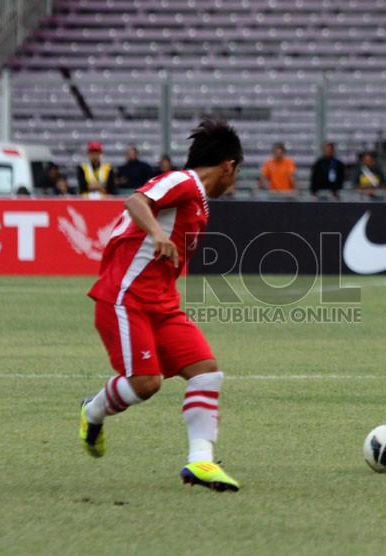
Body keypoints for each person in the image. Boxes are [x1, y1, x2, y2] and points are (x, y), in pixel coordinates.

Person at [79, 118, 244, 492]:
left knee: (206, 372)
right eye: (235, 173)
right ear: (228, 166)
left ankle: (199, 461)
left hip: (163, 303)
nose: (233, 182)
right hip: (126, 297)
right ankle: (92, 411)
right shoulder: (184, 181)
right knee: (145, 384)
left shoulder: (198, 201)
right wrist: (155, 234)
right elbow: (136, 199)